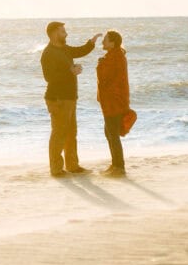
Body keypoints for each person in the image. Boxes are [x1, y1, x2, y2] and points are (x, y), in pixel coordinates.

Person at [41, 21, 101, 177]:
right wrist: (71, 71)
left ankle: (72, 166)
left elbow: (79, 51)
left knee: (71, 133)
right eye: (62, 31)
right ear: (54, 33)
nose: (66, 34)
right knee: (59, 133)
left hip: (70, 98)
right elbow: (49, 78)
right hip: (57, 99)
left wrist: (91, 43)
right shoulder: (48, 53)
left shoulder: (65, 49)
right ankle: (56, 169)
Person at [96, 29, 130, 177]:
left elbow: (106, 78)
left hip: (114, 101)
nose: (103, 42)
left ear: (113, 42)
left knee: (112, 133)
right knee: (109, 133)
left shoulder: (115, 56)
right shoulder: (114, 55)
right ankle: (115, 164)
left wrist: (100, 65)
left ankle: (119, 167)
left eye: (106, 39)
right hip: (113, 100)